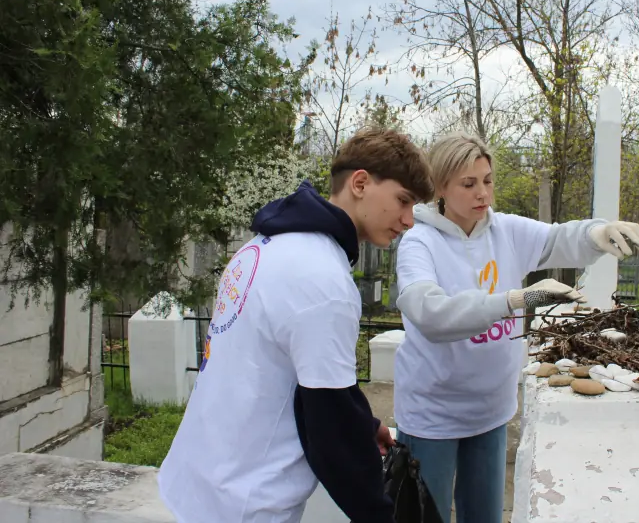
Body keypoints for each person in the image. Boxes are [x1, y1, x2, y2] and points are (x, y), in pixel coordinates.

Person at [158, 127, 434, 523]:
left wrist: (365, 424)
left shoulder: (263, 246)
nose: (409, 220)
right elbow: (330, 426)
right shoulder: (324, 280)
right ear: (360, 183)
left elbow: (291, 372)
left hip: (198, 482)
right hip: (248, 503)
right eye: (403, 201)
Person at [393, 132, 639, 523]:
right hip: (432, 416)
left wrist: (596, 234)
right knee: (427, 517)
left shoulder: (505, 231)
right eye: (469, 184)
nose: (483, 194)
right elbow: (430, 315)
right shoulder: (419, 243)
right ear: (441, 186)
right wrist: (515, 299)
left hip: (491, 413)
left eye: (488, 180)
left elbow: (559, 238)